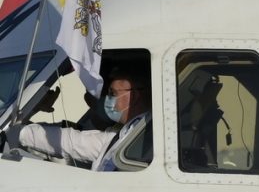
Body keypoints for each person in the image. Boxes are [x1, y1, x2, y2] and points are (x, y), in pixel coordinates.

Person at [2, 68, 151, 172]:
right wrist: (17, 130)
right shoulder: (123, 135)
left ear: (134, 96)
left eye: (112, 93)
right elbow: (72, 141)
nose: (108, 100)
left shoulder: (147, 135)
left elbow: (72, 142)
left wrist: (17, 132)